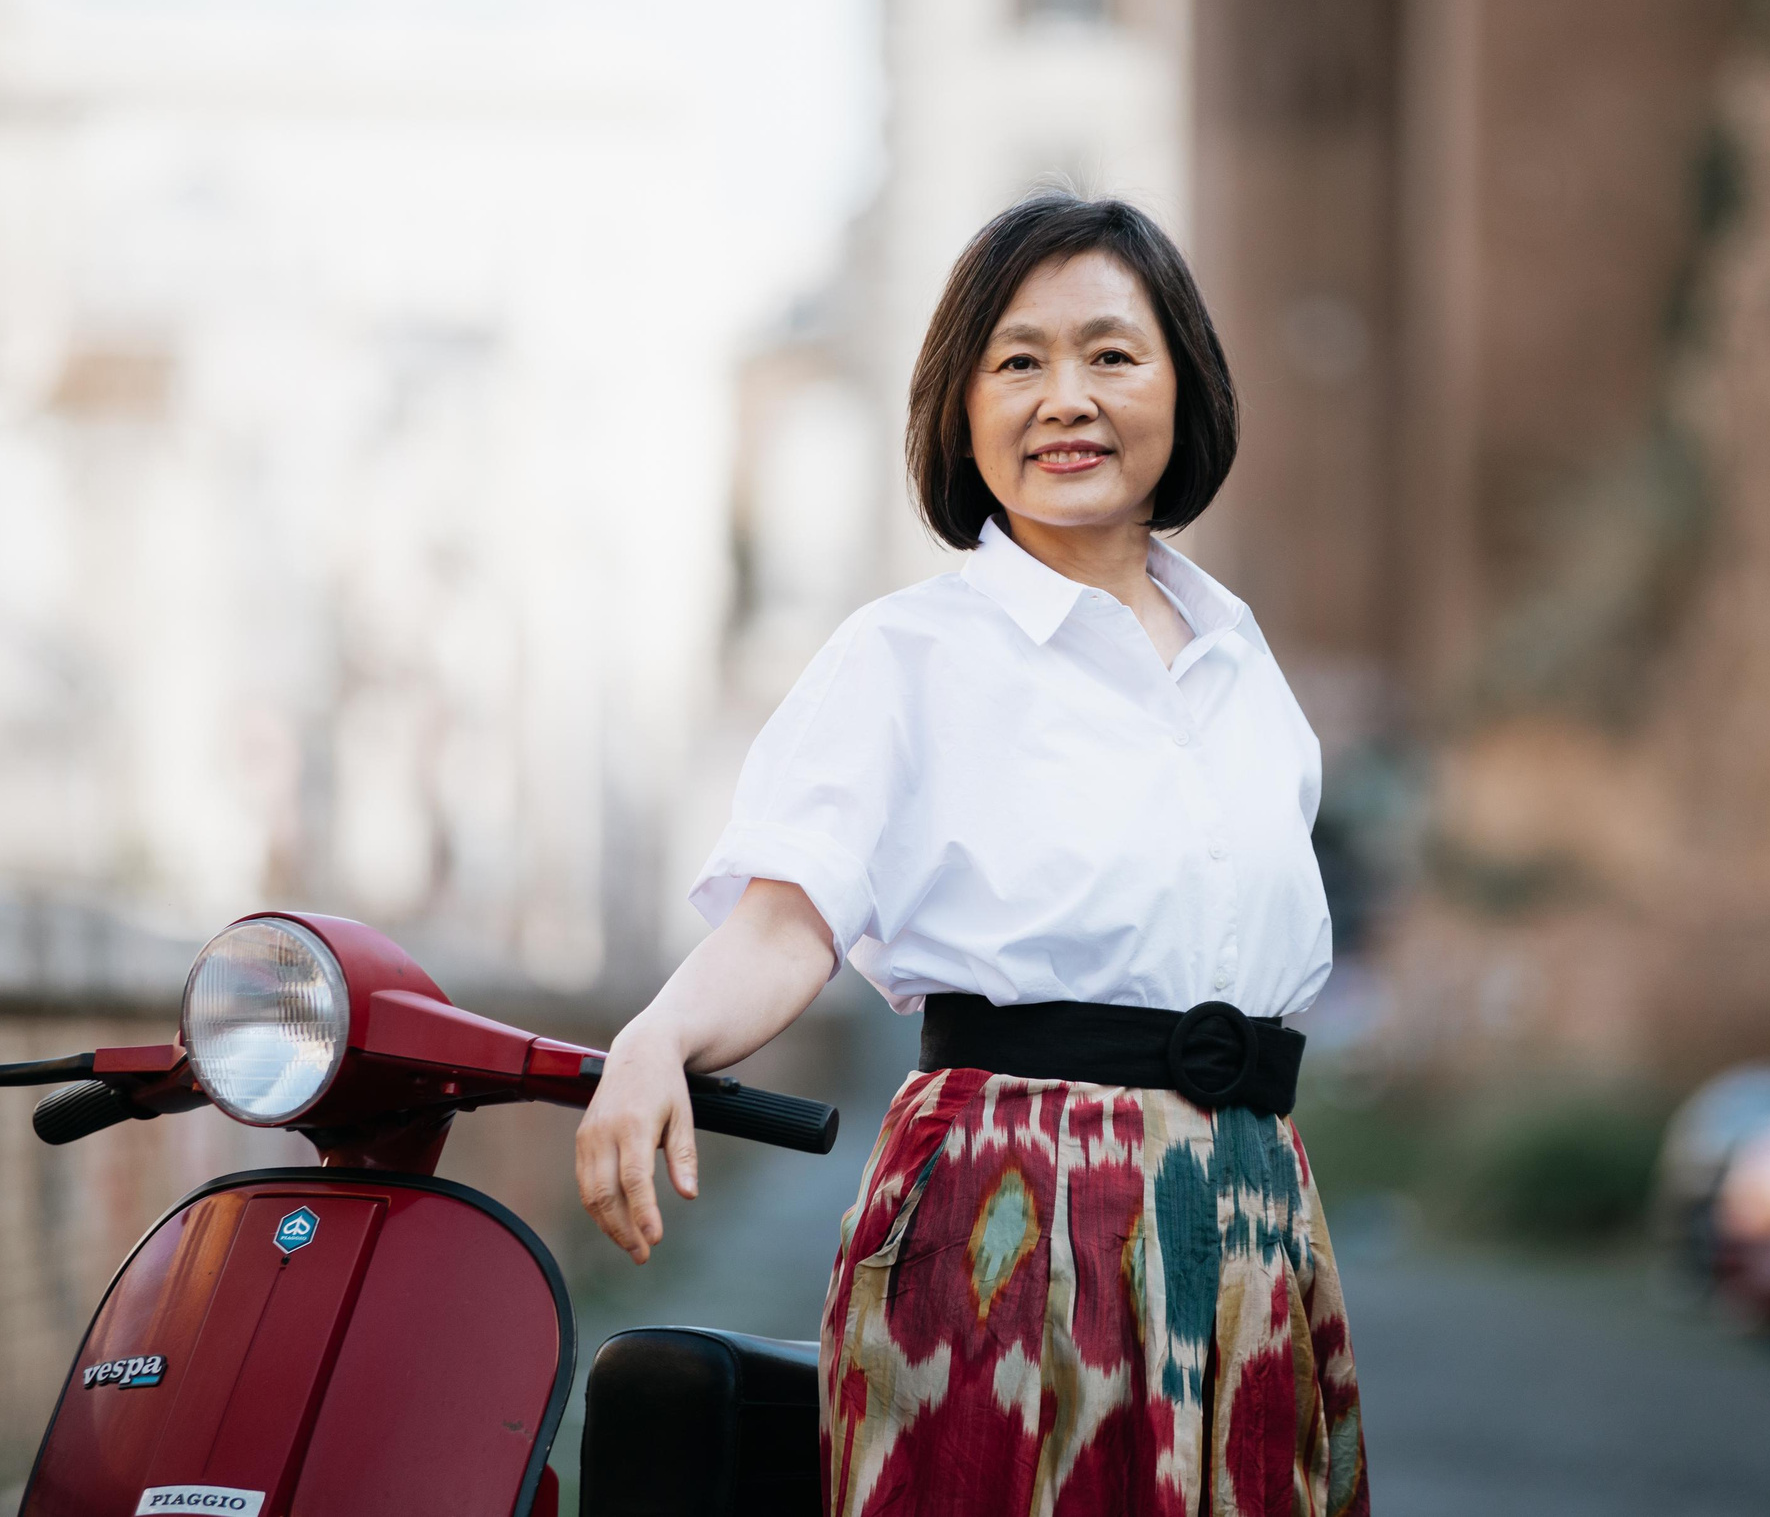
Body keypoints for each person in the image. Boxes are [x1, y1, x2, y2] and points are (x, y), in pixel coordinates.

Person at [574, 193, 1368, 1517]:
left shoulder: (1244, 666)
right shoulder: (907, 657)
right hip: (1011, 1223)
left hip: (1247, 1218)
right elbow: (784, 923)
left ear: (1185, 388)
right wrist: (656, 1038)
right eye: (1019, 361)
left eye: (1112, 355)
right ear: (961, 406)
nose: (1068, 397)